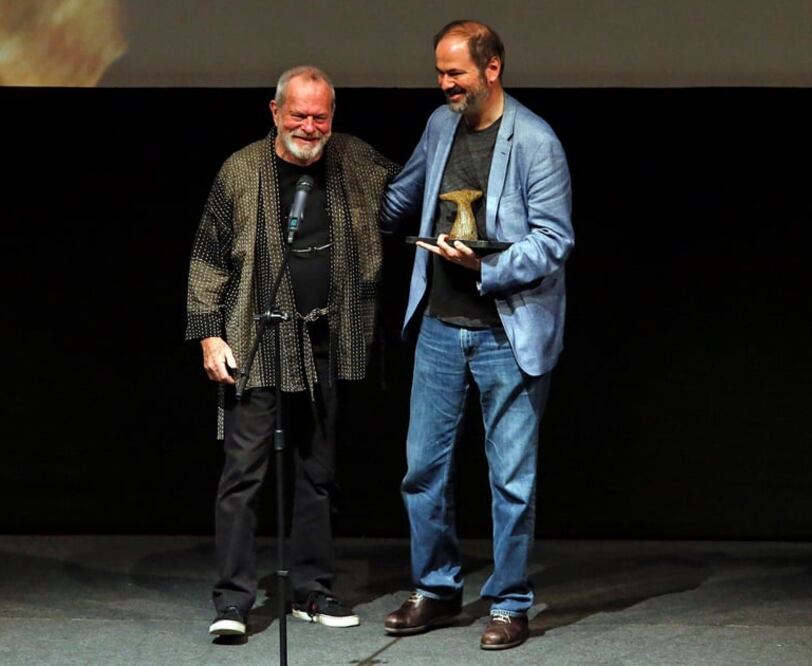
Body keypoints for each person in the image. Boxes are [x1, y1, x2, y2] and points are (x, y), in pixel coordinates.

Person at [380, 21, 574, 650]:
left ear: (492, 68)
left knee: (511, 478)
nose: (445, 84)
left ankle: (511, 602)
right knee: (421, 470)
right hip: (439, 325)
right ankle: (436, 589)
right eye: (439, 72)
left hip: (506, 332)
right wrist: (347, 200)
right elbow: (405, 192)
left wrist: (484, 266)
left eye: (455, 72)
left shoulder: (536, 142)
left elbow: (554, 240)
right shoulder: (441, 126)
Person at [185, 65, 397, 638]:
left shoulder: (355, 160)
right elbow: (207, 258)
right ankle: (233, 600)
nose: (309, 125)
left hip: (326, 340)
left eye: (320, 115)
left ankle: (311, 588)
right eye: (298, 114)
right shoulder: (241, 169)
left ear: (333, 116)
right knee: (243, 476)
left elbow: (409, 192)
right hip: (255, 341)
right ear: (274, 111)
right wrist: (209, 333)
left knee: (318, 474)